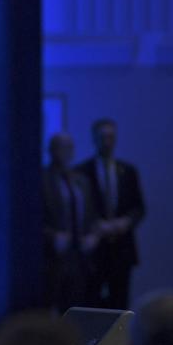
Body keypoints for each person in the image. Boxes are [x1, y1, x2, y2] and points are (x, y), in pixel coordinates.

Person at [75, 119, 145, 310]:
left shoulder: (127, 171)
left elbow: (139, 207)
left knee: (120, 303)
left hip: (122, 249)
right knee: (91, 302)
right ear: (94, 139)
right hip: (94, 250)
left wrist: (125, 222)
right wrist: (97, 226)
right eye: (103, 137)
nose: (107, 141)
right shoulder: (81, 171)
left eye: (111, 137)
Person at [42, 133, 100, 311]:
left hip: (80, 256)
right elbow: (30, 220)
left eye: (70, 148)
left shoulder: (81, 180)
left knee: (76, 306)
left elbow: (91, 215)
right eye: (62, 147)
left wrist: (94, 236)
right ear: (52, 151)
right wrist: (52, 236)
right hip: (51, 257)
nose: (67, 152)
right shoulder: (41, 180)